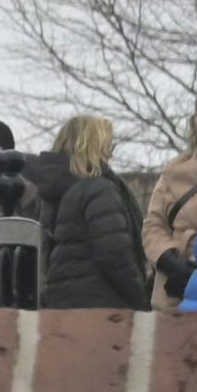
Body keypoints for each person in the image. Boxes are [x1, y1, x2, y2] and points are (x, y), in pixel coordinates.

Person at [38, 111, 148, 311]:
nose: (110, 154)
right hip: (102, 305)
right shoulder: (99, 190)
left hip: (60, 303)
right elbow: (115, 255)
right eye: (108, 146)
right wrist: (140, 299)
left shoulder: (52, 193)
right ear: (94, 147)